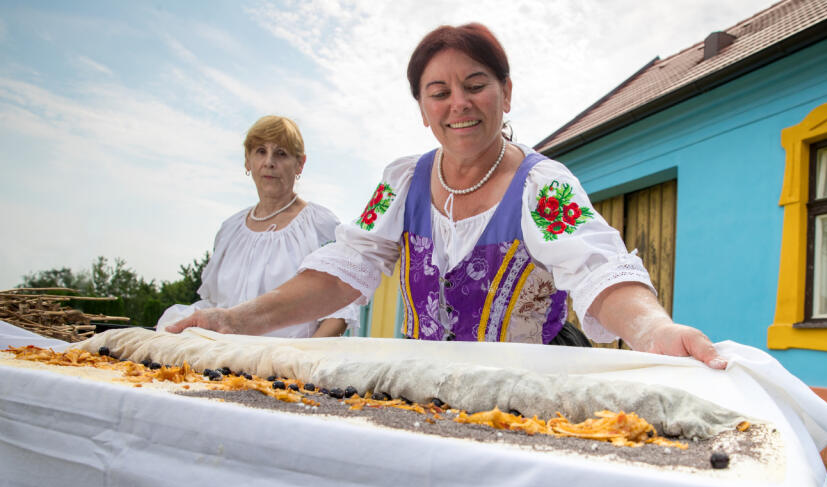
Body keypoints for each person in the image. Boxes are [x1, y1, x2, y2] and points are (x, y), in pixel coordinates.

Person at [168, 24, 725, 369]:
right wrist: (233, 321)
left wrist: (654, 330)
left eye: (476, 84)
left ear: (505, 94)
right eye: (439, 92)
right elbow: (339, 273)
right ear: (422, 107)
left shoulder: (542, 185)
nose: (458, 103)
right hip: (420, 393)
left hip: (520, 401)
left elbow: (599, 272)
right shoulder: (402, 183)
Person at [156, 115, 357, 338]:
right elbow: (214, 303)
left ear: (300, 163)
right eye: (261, 151)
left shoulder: (320, 225)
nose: (269, 162)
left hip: (286, 366)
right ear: (247, 161)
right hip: (221, 364)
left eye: (281, 153)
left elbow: (338, 311)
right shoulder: (230, 229)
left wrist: (296, 362)